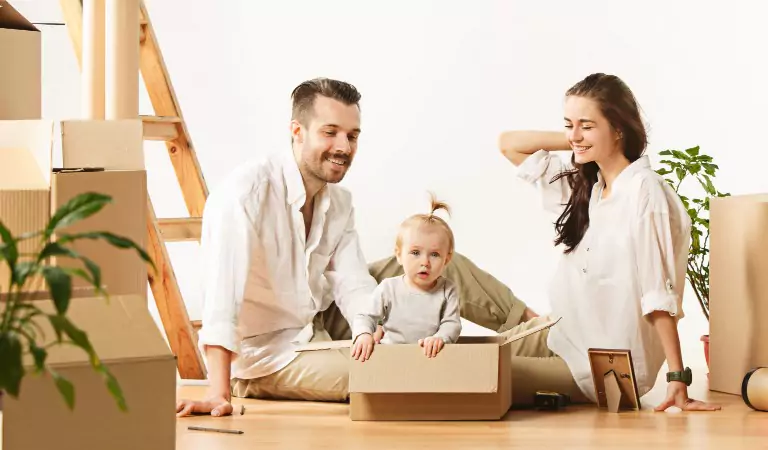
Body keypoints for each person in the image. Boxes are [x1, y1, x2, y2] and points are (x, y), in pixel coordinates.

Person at [176, 77, 540, 418]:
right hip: (269, 353)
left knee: (441, 262)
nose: (343, 148)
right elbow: (221, 297)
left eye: (352, 135)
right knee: (392, 372)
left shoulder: (339, 201)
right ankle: (538, 374)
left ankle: (541, 335)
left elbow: (352, 283)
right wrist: (218, 392)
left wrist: (374, 326)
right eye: (330, 133)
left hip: (318, 318)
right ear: (297, 132)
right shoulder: (245, 193)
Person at [496, 72, 721, 412]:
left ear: (619, 128)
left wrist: (677, 377)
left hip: (606, 369)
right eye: (568, 124)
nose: (573, 135)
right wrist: (581, 137)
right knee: (460, 356)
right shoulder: (590, 189)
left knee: (475, 373)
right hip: (565, 335)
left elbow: (657, 292)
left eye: (586, 124)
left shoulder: (645, 191)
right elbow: (509, 143)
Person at [351, 195, 462, 361]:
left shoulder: (448, 290)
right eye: (415, 253)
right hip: (391, 356)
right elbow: (365, 316)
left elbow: (452, 324)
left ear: (446, 259)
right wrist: (364, 334)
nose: (425, 262)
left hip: (430, 356)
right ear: (399, 255)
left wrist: (440, 338)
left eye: (435, 254)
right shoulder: (388, 288)